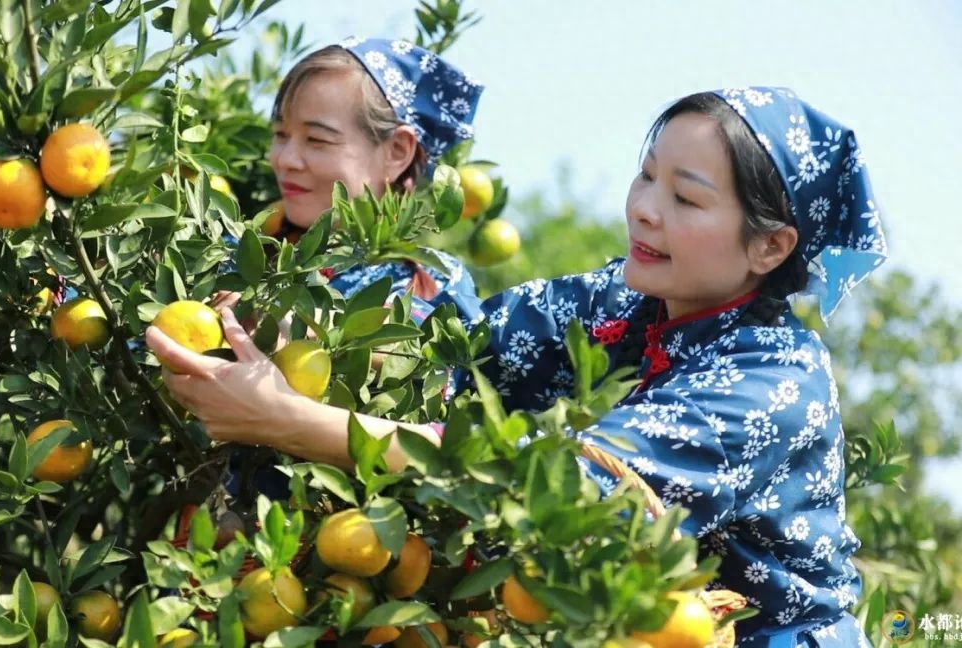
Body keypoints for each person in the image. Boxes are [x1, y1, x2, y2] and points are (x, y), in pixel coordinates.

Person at [148, 86, 887, 647]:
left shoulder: (773, 383)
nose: (645, 210)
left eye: (686, 198)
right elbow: (451, 348)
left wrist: (295, 422)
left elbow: (555, 481)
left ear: (770, 247)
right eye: (646, 177)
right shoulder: (621, 302)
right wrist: (269, 321)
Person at [220, 36, 485, 324]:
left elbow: (420, 348)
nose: (285, 160)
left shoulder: (430, 287)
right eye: (281, 134)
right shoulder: (233, 254)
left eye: (317, 139)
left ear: (397, 151)